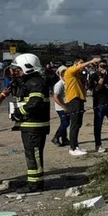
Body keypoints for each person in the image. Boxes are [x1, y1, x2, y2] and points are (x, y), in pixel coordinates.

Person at [7, 54, 52, 193]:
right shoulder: (29, 82)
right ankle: (32, 180)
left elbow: (34, 103)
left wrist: (18, 112)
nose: (15, 72)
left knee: (34, 154)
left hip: (34, 126)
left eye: (18, 69)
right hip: (29, 125)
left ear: (28, 68)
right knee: (31, 154)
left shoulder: (36, 83)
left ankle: (35, 184)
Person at [64, 56, 101, 156]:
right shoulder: (69, 71)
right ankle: (73, 147)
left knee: (78, 124)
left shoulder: (78, 76)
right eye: (80, 63)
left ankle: (75, 145)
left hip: (79, 100)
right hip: (73, 100)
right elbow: (78, 67)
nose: (82, 66)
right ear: (75, 63)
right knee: (74, 124)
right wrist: (91, 61)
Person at [89, 59, 108, 152]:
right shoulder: (94, 76)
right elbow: (96, 89)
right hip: (99, 104)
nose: (103, 68)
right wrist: (102, 77)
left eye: (105, 66)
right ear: (98, 67)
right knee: (98, 126)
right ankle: (98, 145)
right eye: (101, 66)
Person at [51, 66, 70, 147]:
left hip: (67, 106)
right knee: (65, 123)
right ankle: (56, 137)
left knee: (64, 123)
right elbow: (55, 97)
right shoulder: (59, 85)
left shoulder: (66, 83)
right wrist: (64, 107)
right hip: (61, 108)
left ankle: (64, 139)